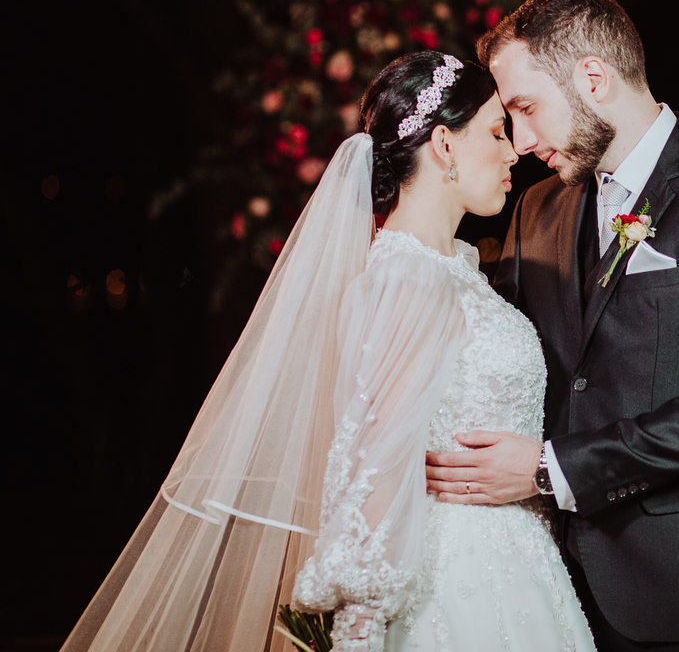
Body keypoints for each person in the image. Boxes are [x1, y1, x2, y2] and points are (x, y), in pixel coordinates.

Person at [62, 50, 596, 652]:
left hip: (517, 566)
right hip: (454, 578)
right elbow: (374, 460)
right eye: (497, 132)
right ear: (444, 144)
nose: (514, 151)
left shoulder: (452, 270)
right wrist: (360, 626)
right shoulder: (408, 278)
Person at [425, 0, 679, 652]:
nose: (521, 139)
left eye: (526, 108)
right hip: (549, 591)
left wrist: (550, 469)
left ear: (593, 79)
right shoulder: (538, 210)